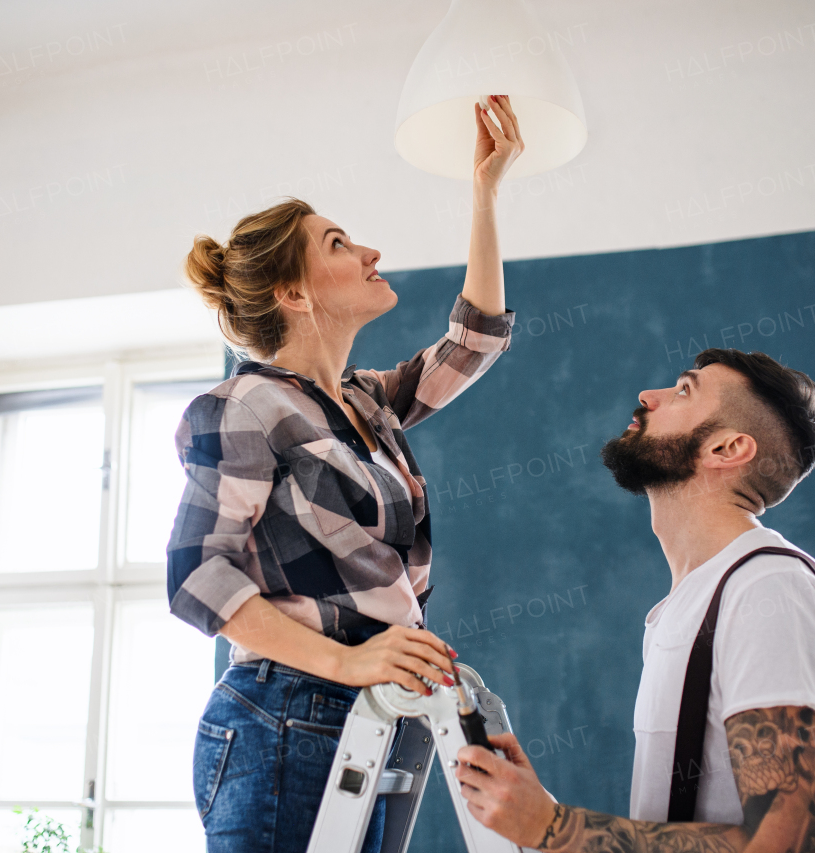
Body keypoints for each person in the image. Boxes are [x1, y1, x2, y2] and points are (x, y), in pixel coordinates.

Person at [167, 94, 524, 852]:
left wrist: (486, 191)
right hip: (287, 714)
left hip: (376, 712)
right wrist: (350, 659)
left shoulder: (363, 400)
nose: (369, 252)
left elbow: (475, 341)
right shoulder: (242, 407)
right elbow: (197, 576)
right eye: (338, 244)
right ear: (293, 294)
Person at [453, 349, 815, 853]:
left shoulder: (771, 593)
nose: (649, 397)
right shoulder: (693, 601)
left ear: (727, 447)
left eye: (684, 390)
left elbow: (793, 845)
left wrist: (555, 828)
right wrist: (534, 812)